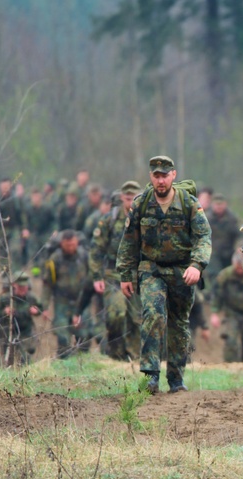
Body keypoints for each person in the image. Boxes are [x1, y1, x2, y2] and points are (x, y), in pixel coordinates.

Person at [117, 155, 212, 394]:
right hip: (152, 269)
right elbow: (129, 241)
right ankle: (151, 375)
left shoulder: (189, 203)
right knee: (153, 314)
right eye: (156, 176)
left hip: (182, 271)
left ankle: (176, 379)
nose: (161, 181)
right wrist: (126, 274)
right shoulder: (141, 204)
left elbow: (203, 237)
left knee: (178, 324)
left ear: (173, 175)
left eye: (165, 176)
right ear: (151, 177)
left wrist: (197, 265)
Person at [89, 180, 141, 361]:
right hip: (114, 274)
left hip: (138, 274)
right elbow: (96, 249)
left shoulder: (146, 219)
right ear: (122, 198)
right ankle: (116, 353)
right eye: (127, 198)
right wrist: (96, 276)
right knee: (116, 314)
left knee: (137, 318)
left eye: (134, 198)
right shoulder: (109, 220)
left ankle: (134, 358)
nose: (130, 201)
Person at [42, 229, 93, 358]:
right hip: (62, 302)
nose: (70, 248)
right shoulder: (55, 259)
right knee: (62, 335)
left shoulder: (84, 256)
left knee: (85, 335)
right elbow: (47, 284)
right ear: (62, 244)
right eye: (67, 245)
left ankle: (84, 362)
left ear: (77, 242)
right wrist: (45, 306)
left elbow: (92, 277)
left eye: (73, 244)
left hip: (81, 301)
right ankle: (65, 363)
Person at [0, 271, 43, 366]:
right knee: (8, 360)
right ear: (14, 285)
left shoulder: (31, 298)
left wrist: (36, 311)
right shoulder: (4, 298)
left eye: (25, 287)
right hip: (7, 333)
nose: (23, 289)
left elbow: (41, 308)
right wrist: (4, 312)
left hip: (25, 332)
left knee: (25, 357)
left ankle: (23, 372)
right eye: (20, 287)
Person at [211, 250, 243, 363]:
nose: (239, 270)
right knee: (230, 340)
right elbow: (217, 294)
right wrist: (215, 313)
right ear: (233, 263)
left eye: (242, 267)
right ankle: (231, 365)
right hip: (231, 312)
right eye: (237, 266)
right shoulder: (224, 275)